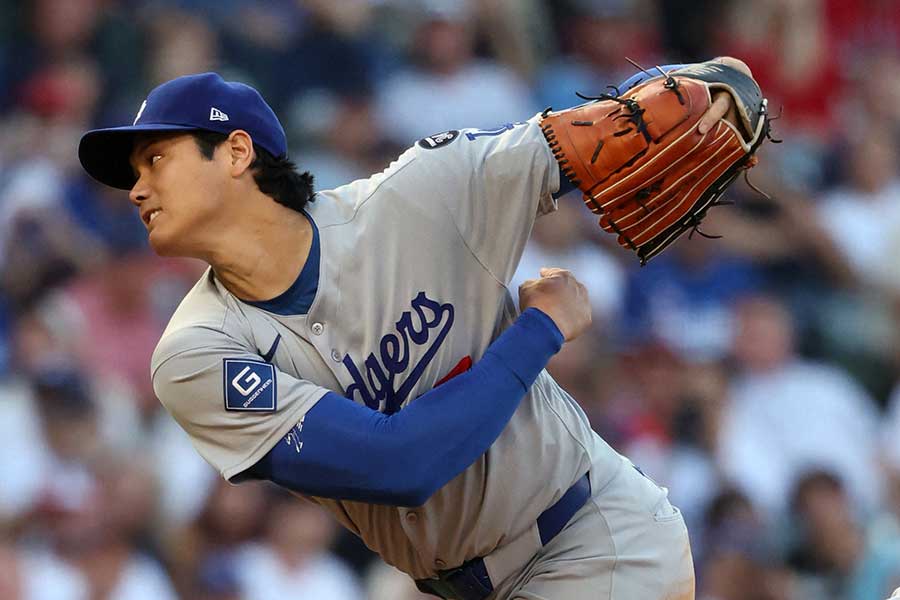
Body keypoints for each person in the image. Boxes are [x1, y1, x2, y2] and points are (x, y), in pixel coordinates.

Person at [78, 59, 750, 599]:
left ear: (234, 151)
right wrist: (539, 329)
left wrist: (708, 84)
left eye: (156, 159)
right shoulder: (196, 354)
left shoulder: (420, 197)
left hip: (592, 539)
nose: (136, 189)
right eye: (133, 173)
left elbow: (581, 134)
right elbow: (401, 462)